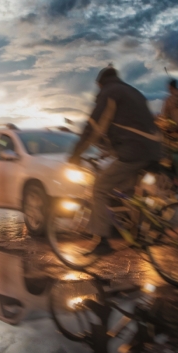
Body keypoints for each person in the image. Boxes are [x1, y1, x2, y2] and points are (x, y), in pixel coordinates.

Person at [69, 65, 162, 255]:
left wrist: (76, 154)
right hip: (155, 149)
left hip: (134, 151)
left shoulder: (110, 93)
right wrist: (110, 152)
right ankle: (140, 232)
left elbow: (94, 127)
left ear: (100, 83)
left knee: (100, 188)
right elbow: (127, 127)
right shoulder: (133, 92)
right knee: (126, 191)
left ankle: (102, 242)